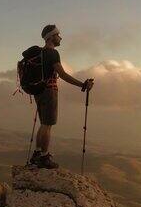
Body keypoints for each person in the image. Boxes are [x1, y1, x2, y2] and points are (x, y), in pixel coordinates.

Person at [29, 24, 94, 169]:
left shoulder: (40, 53)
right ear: (51, 37)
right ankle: (44, 157)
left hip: (38, 91)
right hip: (49, 91)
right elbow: (63, 75)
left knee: (43, 124)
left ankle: (37, 153)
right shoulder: (52, 53)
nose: (60, 38)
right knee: (48, 125)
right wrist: (82, 85)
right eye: (58, 35)